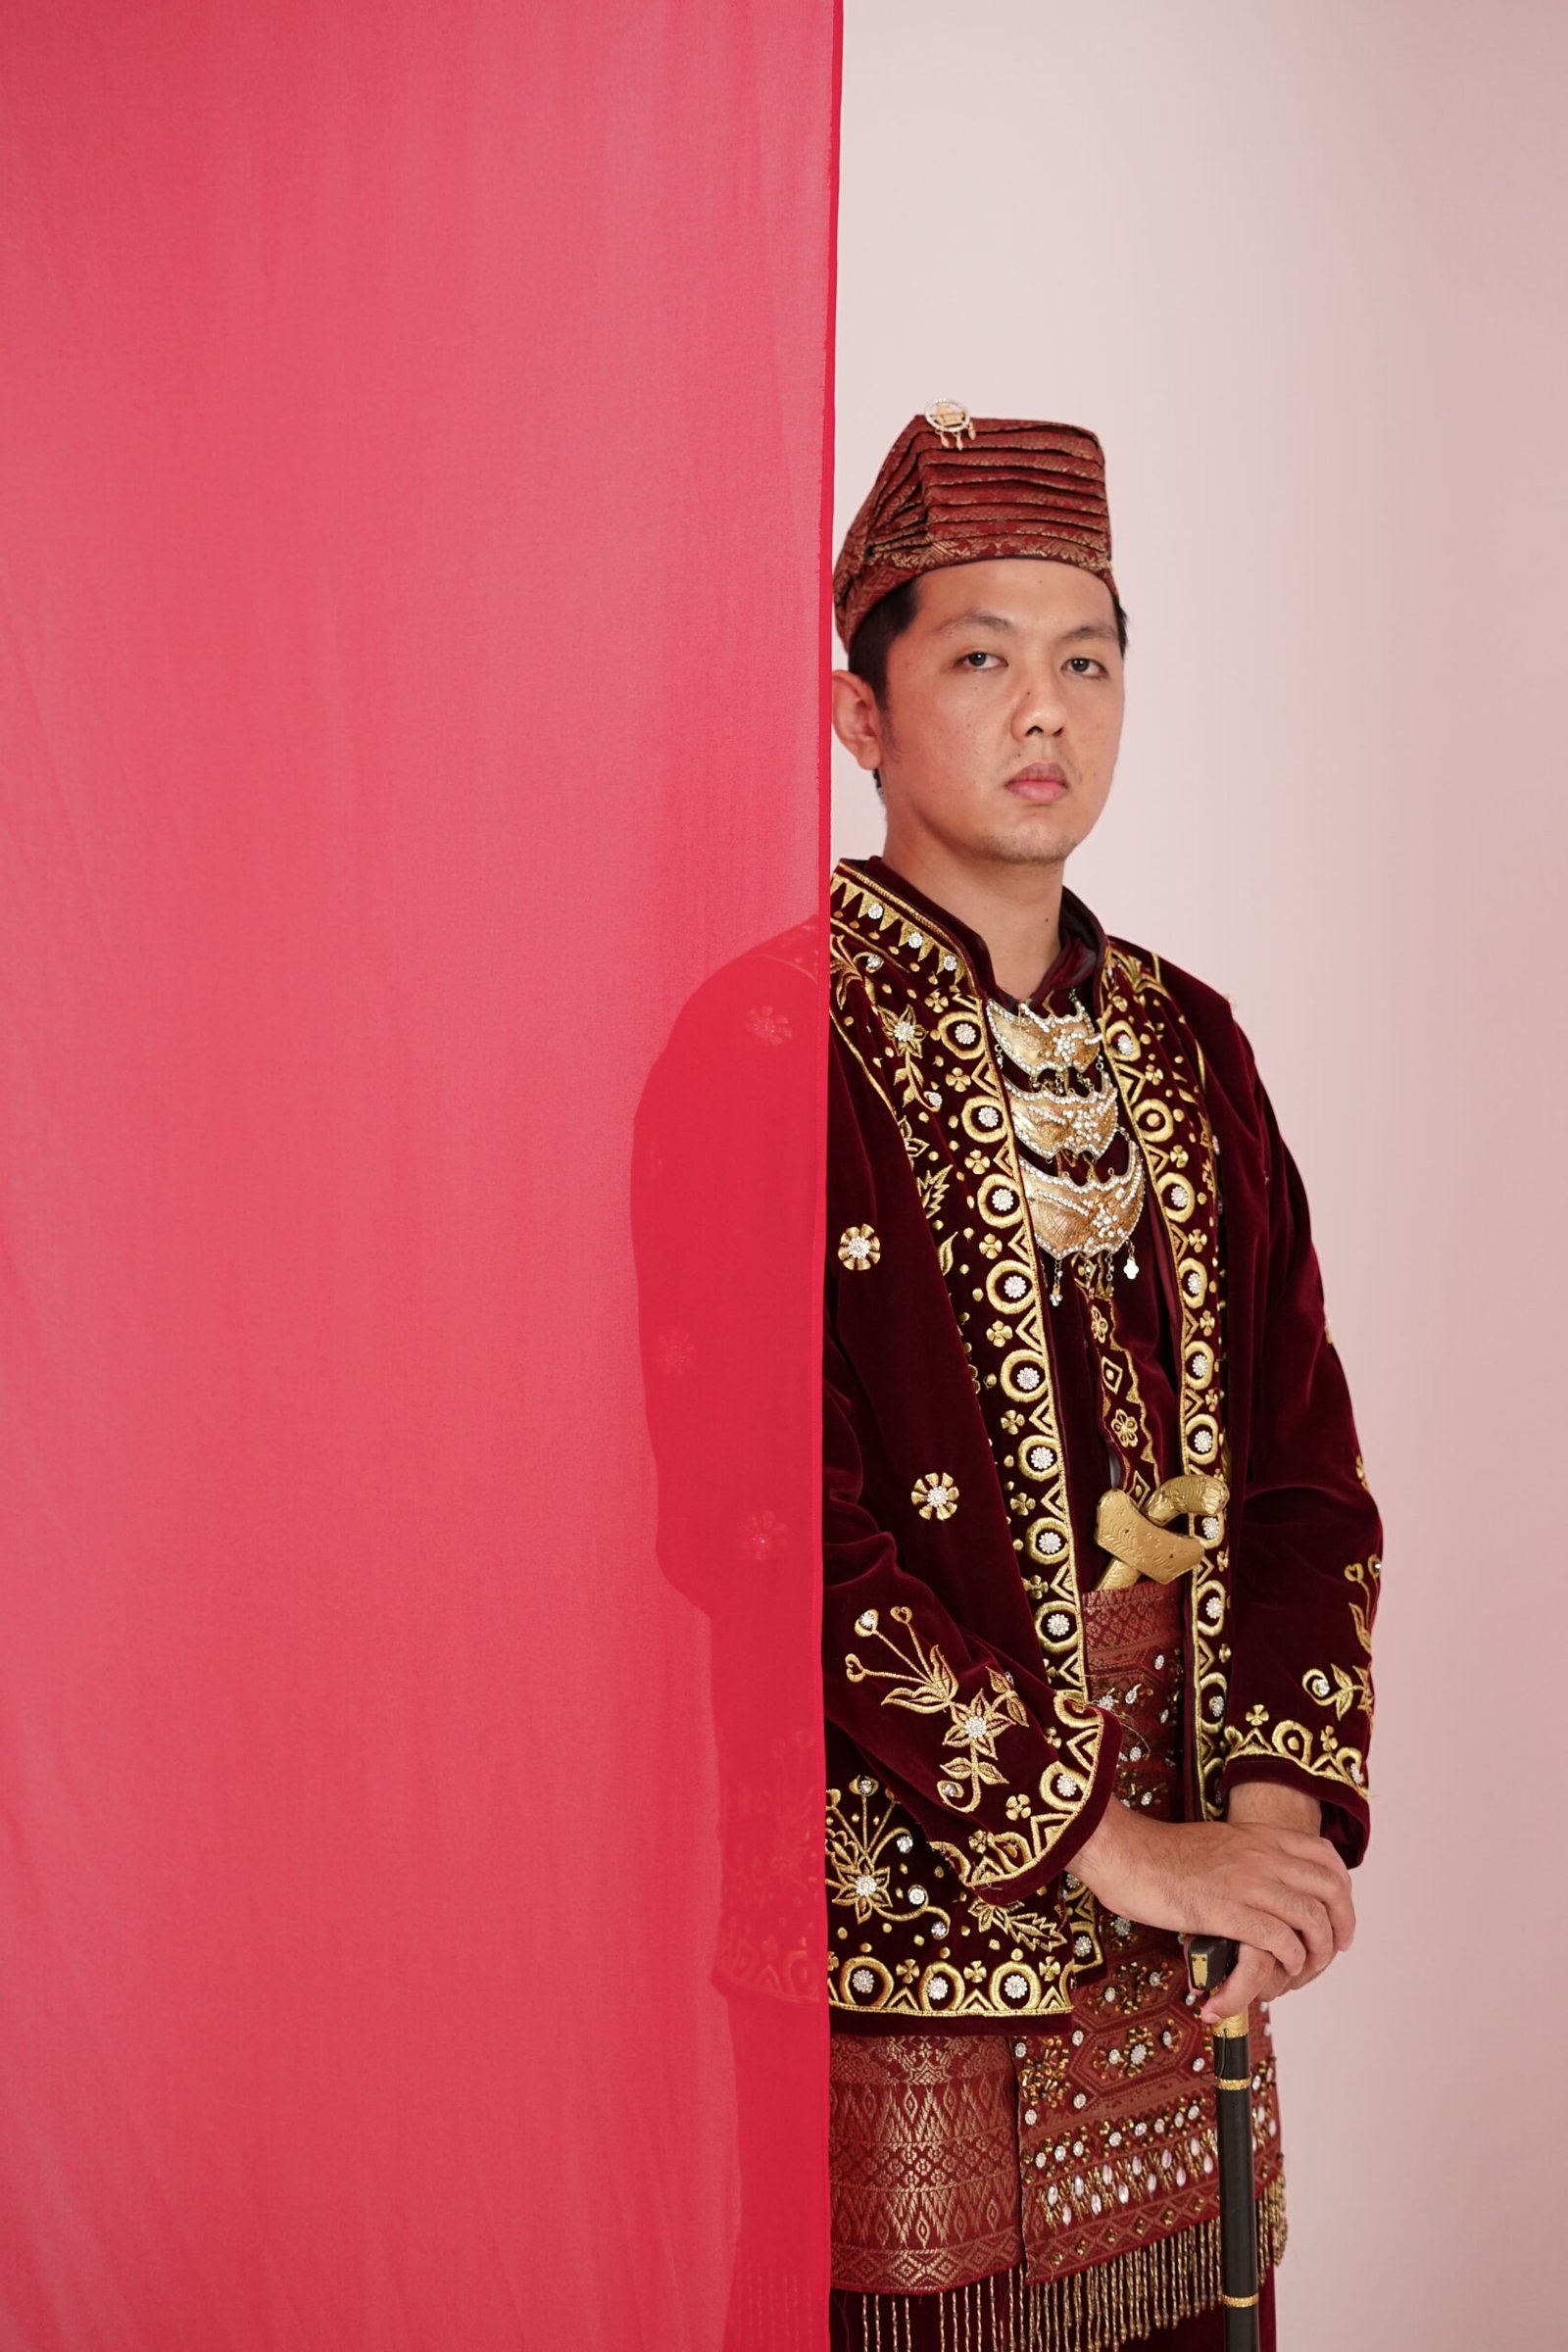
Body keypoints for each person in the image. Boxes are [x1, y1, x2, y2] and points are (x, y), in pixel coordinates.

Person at [821, 405, 1381, 2351]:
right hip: (909, 1942)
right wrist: (1099, 1837)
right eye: (979, 658)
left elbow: (1305, 1471)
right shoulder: (768, 1046)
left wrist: (1273, 1820)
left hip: (1188, 1937)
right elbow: (766, 1539)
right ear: (859, 712)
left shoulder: (1191, 1041)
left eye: (1087, 659)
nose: (1044, 709)